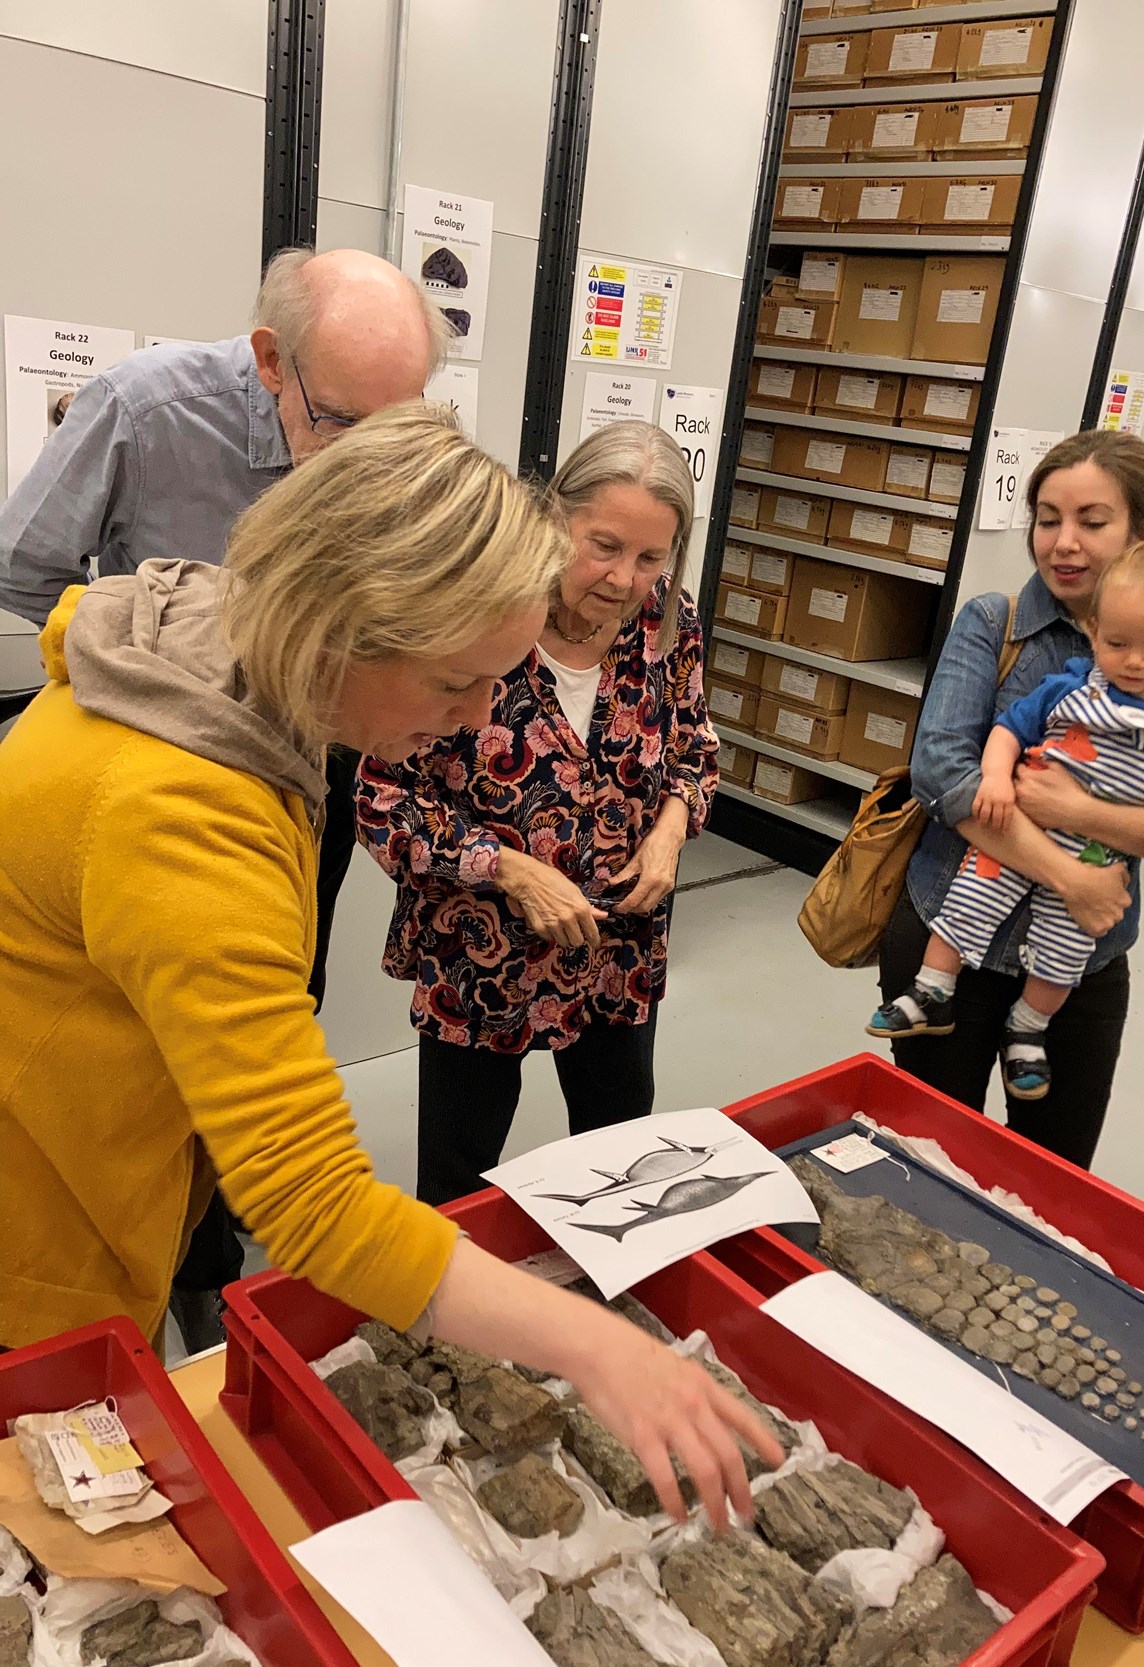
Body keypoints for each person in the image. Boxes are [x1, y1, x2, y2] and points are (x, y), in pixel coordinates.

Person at [0, 404, 779, 1528]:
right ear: (338, 628)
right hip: (38, 1250)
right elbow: (309, 1196)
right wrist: (599, 1345)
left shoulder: (194, 666)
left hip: (103, 1171)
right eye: (454, 683)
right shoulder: (179, 808)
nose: (470, 716)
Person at [0, 246, 446, 1350]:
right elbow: (23, 565)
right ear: (268, 363)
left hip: (298, 764)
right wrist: (168, 637)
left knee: (276, 984)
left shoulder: (378, 421)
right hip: (169, 761)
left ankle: (202, 1243)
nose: (368, 464)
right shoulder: (143, 411)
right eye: (344, 424)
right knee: (133, 1043)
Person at [356, 422, 718, 1205]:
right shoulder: (475, 613)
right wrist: (510, 870)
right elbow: (383, 798)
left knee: (622, 1161)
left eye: (651, 557)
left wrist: (669, 833)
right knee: (458, 1183)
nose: (626, 579)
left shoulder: (669, 624)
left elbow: (695, 748)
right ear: (557, 517)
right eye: (605, 545)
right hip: (482, 962)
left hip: (618, 949)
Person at [876, 431, 1144, 1169]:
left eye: (1091, 521)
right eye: (1048, 518)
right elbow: (945, 775)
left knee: (1056, 1177)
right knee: (925, 1161)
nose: (1063, 543)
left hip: (1082, 964)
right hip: (951, 931)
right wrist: (1075, 872)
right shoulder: (995, 622)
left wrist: (1083, 815)